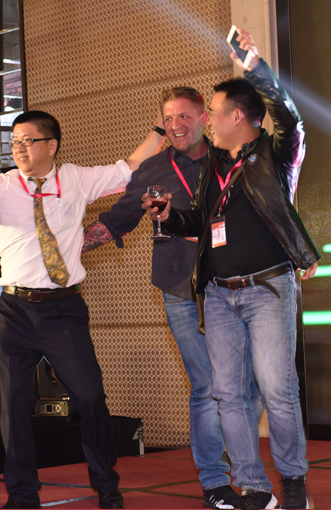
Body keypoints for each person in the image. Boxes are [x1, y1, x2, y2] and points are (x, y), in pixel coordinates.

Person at [0, 111, 162, 509]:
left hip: (63, 310)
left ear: (51, 145)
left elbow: (130, 167)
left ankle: (106, 484)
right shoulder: (0, 187)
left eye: (28, 141)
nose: (19, 148)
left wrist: (159, 131)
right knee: (14, 405)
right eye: (14, 142)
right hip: (14, 311)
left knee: (90, 397)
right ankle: (22, 494)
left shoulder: (74, 178)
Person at [146, 28, 318, 510]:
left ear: (237, 115)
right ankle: (254, 487)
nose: (209, 121)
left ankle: (293, 481)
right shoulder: (215, 167)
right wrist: (170, 217)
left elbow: (289, 117)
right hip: (219, 294)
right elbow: (203, 224)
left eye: (215, 112)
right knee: (227, 394)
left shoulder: (275, 155)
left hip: (267, 289)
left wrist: (254, 67)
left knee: (278, 391)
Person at [83, 86, 263, 509]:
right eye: (168, 118)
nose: (176, 125)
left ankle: (239, 465)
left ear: (204, 118)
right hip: (181, 288)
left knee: (248, 386)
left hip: (232, 285)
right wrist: (67, 248)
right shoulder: (152, 169)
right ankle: (215, 483)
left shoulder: (229, 160)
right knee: (207, 385)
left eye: (184, 116)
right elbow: (118, 219)